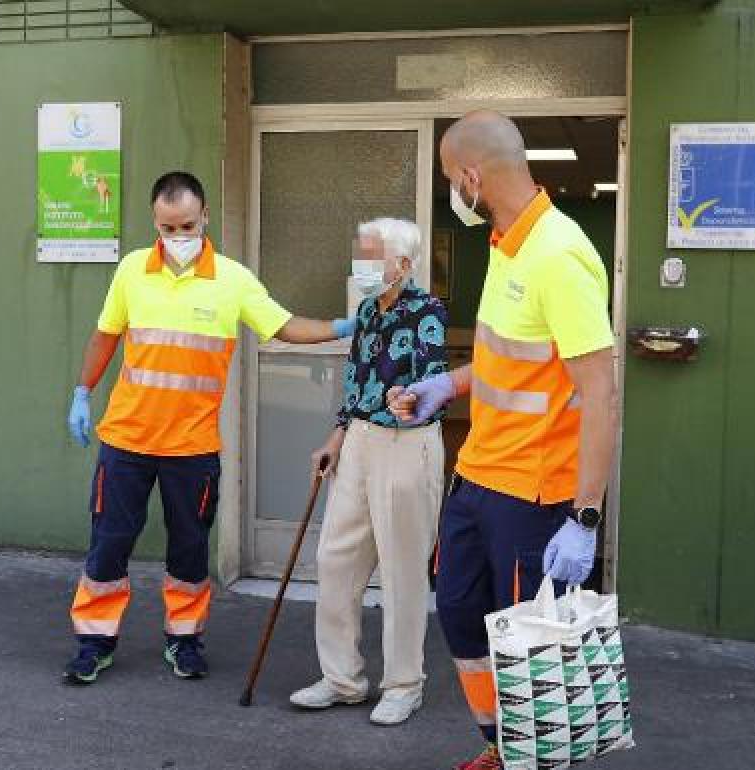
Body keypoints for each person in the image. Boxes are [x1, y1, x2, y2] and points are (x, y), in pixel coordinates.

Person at [388, 112, 618, 770]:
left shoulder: (559, 253)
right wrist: (449, 386)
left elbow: (599, 392)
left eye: (447, 179)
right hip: (478, 480)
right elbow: (509, 359)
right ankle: (507, 746)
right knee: (461, 616)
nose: (451, 191)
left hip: (535, 496)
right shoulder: (507, 244)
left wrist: (586, 516)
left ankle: (537, 754)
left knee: (535, 649)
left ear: (468, 176)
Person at [63, 171, 356, 685]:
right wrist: (82, 392)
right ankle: (94, 642)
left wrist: (342, 326)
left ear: (204, 218)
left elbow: (282, 325)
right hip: (126, 442)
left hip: (192, 449)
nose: (177, 236)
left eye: (186, 225)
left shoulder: (232, 280)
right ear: (154, 221)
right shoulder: (132, 270)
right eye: (167, 226)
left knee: (189, 551)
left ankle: (185, 641)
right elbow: (105, 336)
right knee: (108, 543)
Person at [289, 218, 448, 726]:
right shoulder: (364, 311)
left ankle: (404, 685)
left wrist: (407, 400)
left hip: (407, 444)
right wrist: (337, 437)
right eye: (359, 255)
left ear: (402, 263)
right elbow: (355, 383)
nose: (361, 266)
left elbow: (430, 379)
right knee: (335, 558)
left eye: (371, 257)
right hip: (360, 440)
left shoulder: (426, 310)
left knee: (402, 571)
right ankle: (342, 679)